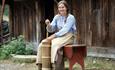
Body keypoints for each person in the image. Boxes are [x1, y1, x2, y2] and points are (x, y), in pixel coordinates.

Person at [36, 0, 77, 70]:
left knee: (55, 44)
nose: (61, 9)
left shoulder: (71, 17)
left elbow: (65, 30)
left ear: (66, 8)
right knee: (42, 44)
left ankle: (54, 65)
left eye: (63, 7)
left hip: (69, 36)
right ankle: (42, 66)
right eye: (59, 7)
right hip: (59, 36)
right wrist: (48, 24)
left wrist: (53, 36)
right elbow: (51, 29)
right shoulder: (57, 17)